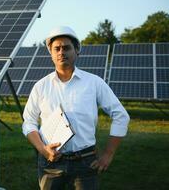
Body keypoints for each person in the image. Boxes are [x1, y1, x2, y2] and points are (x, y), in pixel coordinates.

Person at [22, 26, 130, 190]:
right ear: (51, 53)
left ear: (77, 50)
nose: (61, 52)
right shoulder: (40, 86)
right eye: (56, 48)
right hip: (50, 162)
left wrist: (108, 154)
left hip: (85, 162)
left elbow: (121, 115)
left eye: (66, 47)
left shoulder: (94, 83)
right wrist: (42, 149)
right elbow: (28, 122)